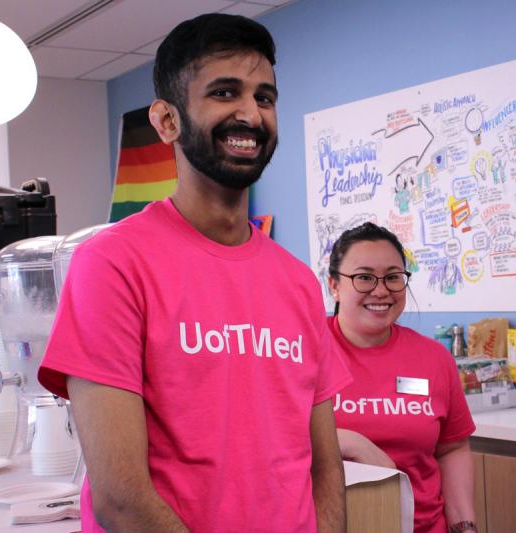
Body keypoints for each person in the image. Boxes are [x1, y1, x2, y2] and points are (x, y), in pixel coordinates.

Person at [38, 13, 351, 533]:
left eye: (265, 97)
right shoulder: (113, 264)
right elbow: (120, 497)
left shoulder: (297, 281)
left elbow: (325, 465)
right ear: (166, 121)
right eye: (225, 93)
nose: (251, 114)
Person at [326, 222, 478, 533]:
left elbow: (452, 449)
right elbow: (266, 439)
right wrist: (342, 441)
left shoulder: (433, 358)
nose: (381, 290)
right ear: (334, 285)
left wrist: (465, 526)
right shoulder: (302, 352)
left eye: (393, 277)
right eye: (364, 277)